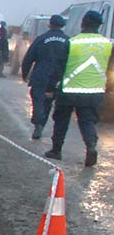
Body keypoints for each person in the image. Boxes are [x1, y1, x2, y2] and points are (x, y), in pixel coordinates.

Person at [46, 10, 112, 167]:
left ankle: (56, 150)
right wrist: (107, 87)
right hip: (94, 92)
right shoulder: (108, 44)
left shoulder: (72, 42)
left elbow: (58, 67)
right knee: (87, 121)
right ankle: (90, 147)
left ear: (83, 23)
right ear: (99, 26)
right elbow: (110, 67)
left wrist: (51, 87)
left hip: (69, 90)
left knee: (61, 120)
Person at [21, 14, 70, 139]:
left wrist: (25, 74)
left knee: (38, 99)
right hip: (57, 78)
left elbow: (28, 58)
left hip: (41, 75)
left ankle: (38, 122)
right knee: (48, 103)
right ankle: (41, 124)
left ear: (50, 25)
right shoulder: (67, 41)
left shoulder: (41, 39)